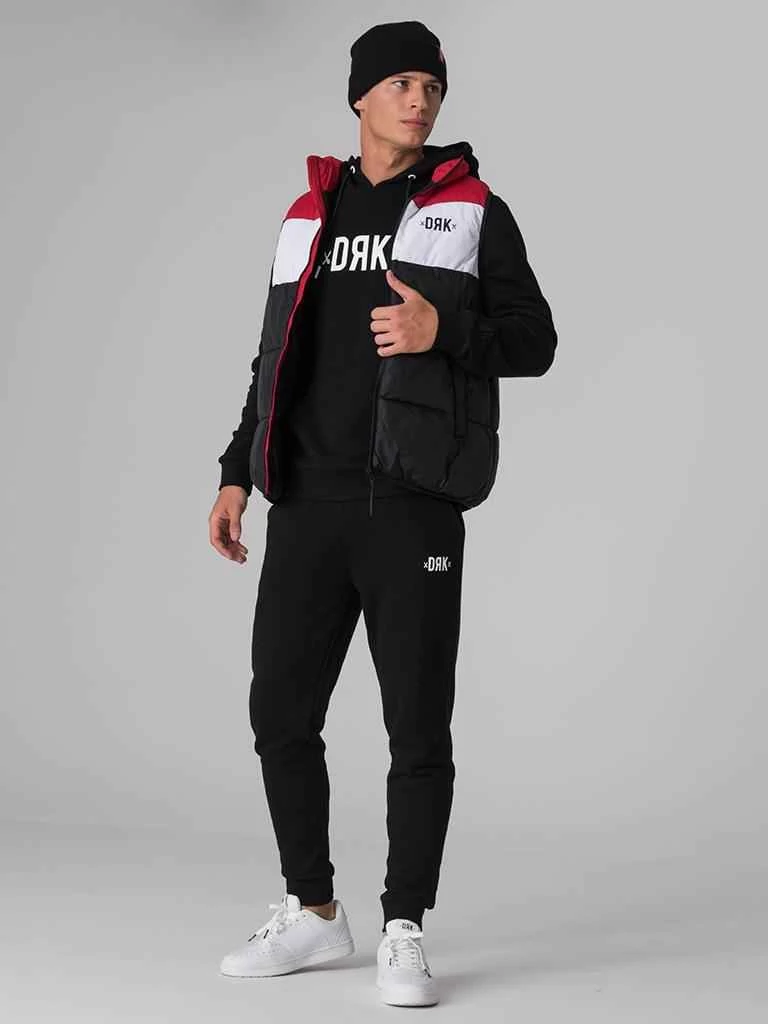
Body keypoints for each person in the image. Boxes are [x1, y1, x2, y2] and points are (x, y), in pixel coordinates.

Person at [208, 20, 557, 1007]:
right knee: (279, 711)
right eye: (402, 83)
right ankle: (314, 911)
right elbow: (274, 357)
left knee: (417, 725)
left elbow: (533, 339)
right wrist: (236, 472)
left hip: (412, 504)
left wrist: (445, 328)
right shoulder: (306, 217)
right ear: (360, 96)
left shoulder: (473, 209)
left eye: (432, 87)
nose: (420, 101)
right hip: (307, 501)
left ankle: (405, 925)